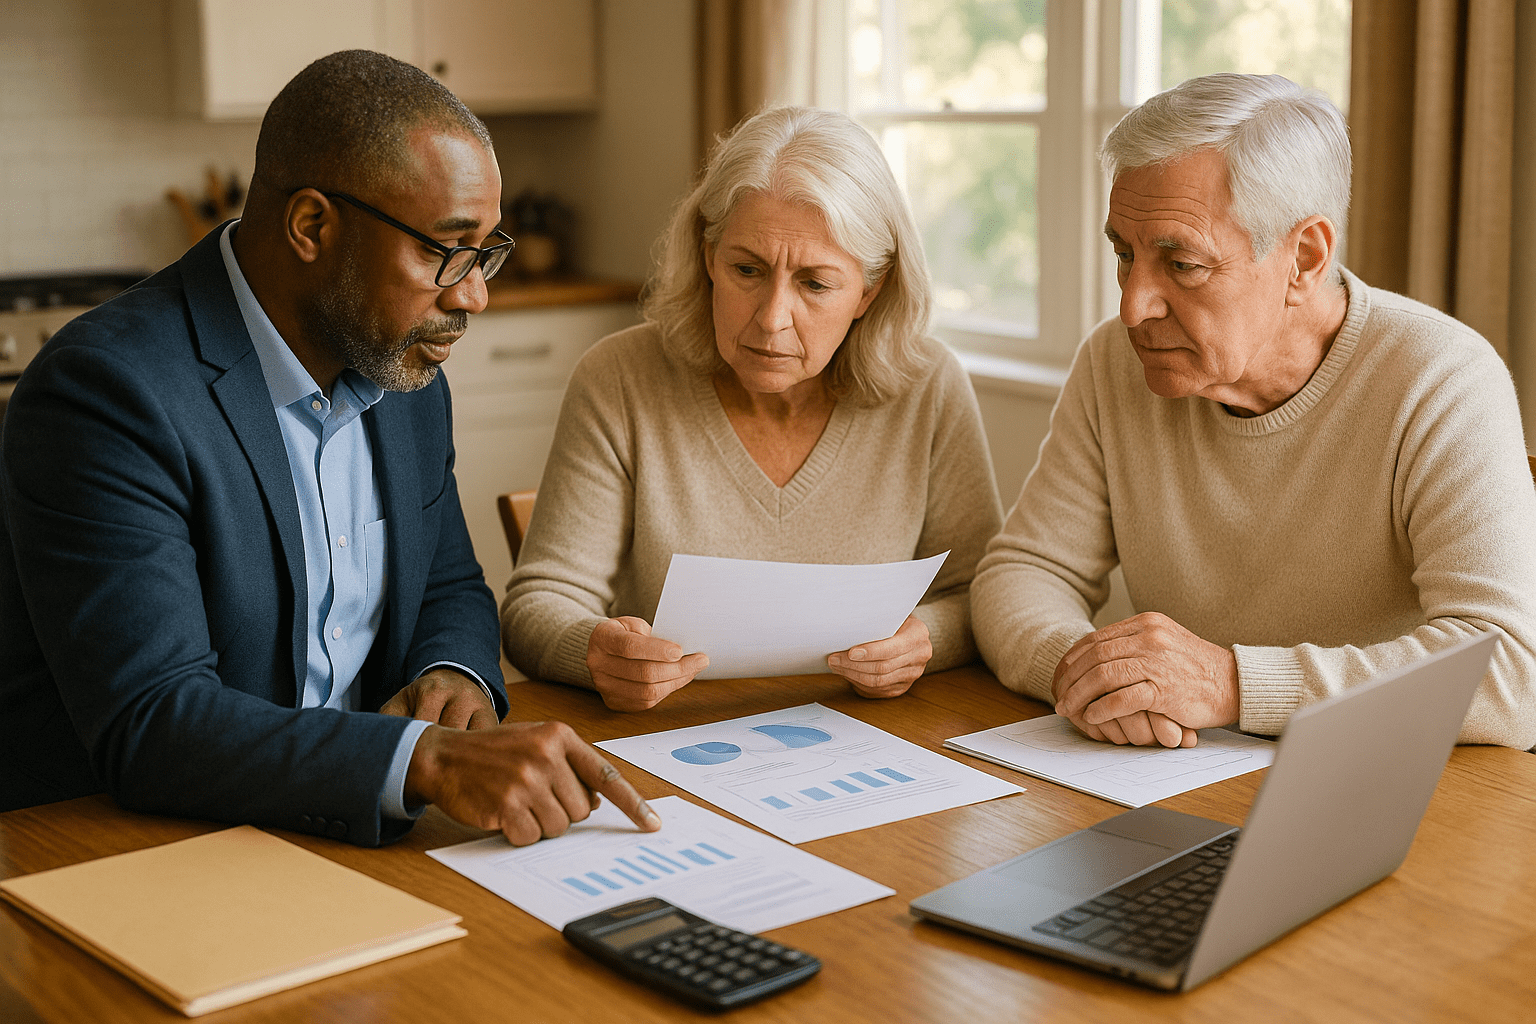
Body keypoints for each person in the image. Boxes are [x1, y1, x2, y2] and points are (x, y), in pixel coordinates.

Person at [0, 50, 660, 847]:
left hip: (351, 828)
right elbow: (154, 721)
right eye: (444, 250)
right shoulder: (106, 393)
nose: (474, 293)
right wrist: (425, 762)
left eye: (486, 250)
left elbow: (448, 582)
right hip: (138, 846)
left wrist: (451, 675)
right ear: (312, 226)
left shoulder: (400, 365)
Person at [972, 73, 1536, 751]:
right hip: (1185, 773)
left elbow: (1509, 673)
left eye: (1181, 264)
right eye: (1125, 254)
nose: (1133, 306)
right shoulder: (1114, 363)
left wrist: (1234, 686)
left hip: (1394, 777)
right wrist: (1092, 676)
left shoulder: (1441, 379)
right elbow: (1024, 573)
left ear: (1304, 258)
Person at [501, 106, 1003, 711]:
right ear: (708, 256)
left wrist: (924, 640)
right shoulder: (620, 378)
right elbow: (537, 603)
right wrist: (594, 650)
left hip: (868, 733)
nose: (771, 318)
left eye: (814, 284)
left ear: (869, 291)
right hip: (669, 735)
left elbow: (981, 592)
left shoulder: (930, 386)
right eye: (747, 270)